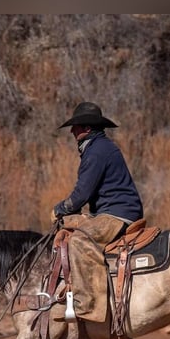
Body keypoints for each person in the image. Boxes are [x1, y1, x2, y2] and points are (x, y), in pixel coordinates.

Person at [51, 102, 145, 322]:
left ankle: (89, 305)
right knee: (68, 228)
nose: (72, 132)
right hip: (109, 211)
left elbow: (81, 194)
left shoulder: (97, 151)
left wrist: (60, 209)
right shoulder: (100, 147)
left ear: (86, 128)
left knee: (80, 240)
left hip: (116, 214)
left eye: (75, 127)